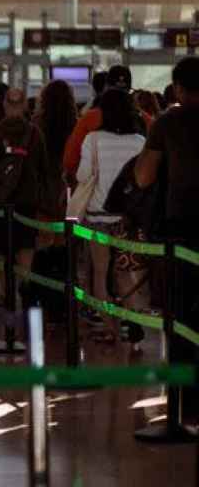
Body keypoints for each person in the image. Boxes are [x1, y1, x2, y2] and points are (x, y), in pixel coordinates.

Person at [135, 56, 199, 416]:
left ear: (177, 88)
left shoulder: (168, 122)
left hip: (182, 228)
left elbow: (144, 177)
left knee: (181, 315)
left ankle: (183, 400)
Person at [75, 89, 147, 348]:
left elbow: (83, 176)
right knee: (127, 273)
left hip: (98, 216)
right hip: (128, 218)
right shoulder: (140, 140)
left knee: (100, 273)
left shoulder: (92, 139)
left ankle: (110, 329)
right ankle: (133, 323)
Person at [0, 86, 49, 290]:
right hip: (27, 199)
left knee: (1, 248)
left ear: (5, 105)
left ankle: (5, 291)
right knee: (25, 246)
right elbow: (44, 167)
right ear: (26, 105)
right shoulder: (35, 134)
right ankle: (25, 289)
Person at [63, 65, 150, 180]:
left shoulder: (89, 118)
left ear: (106, 88)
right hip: (133, 192)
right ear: (130, 92)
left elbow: (70, 161)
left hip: (98, 191)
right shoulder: (145, 120)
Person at [35, 80, 78, 220]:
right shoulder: (77, 125)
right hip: (70, 182)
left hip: (43, 183)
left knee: (45, 228)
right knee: (69, 226)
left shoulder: (36, 124)